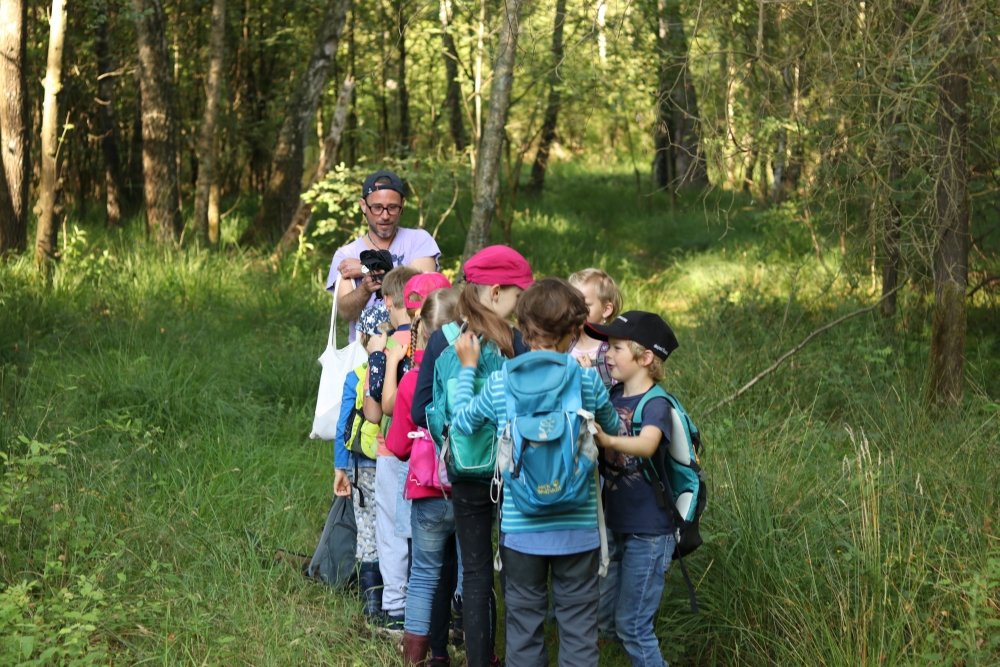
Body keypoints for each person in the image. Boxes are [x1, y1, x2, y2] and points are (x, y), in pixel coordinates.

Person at [451, 278, 621, 667]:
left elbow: (461, 422)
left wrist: (467, 369)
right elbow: (611, 430)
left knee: (524, 628)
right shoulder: (586, 380)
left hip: (521, 530)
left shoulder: (499, 384)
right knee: (579, 630)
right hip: (578, 529)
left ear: (524, 328)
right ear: (574, 332)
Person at [410, 245, 535, 667]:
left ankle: (478, 660)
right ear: (496, 292)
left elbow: (419, 409)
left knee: (476, 571)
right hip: (516, 472)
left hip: (466, 473)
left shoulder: (445, 339)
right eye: (518, 296)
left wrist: (449, 440)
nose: (520, 307)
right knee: (514, 572)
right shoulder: (519, 342)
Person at [586, 311, 681, 667]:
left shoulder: (656, 403)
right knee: (605, 618)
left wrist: (609, 438)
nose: (607, 354)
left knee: (633, 626)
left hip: (649, 532)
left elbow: (647, 444)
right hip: (616, 526)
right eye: (607, 346)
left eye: (617, 347)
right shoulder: (610, 394)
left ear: (646, 358)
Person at [385, 287, 464, 666]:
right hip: (469, 489)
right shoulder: (477, 372)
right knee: (474, 575)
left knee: (424, 576)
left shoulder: (411, 381)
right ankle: (478, 650)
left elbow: (398, 446)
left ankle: (421, 657)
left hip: (428, 492)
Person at [362, 265, 421, 631]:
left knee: (392, 530)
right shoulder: (432, 341)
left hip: (391, 450)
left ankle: (397, 608)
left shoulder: (385, 348)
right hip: (432, 454)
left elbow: (372, 413)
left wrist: (376, 358)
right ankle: (430, 604)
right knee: (426, 533)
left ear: (387, 300)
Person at [327, 170, 441, 341]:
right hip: (365, 357)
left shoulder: (420, 240)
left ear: (402, 204)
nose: (385, 215)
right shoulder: (346, 255)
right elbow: (345, 312)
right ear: (363, 205)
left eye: (392, 207)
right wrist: (365, 288)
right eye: (377, 208)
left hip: (415, 348)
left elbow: (422, 292)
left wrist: (368, 267)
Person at [333, 303, 391, 621]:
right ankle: (398, 603)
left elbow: (344, 426)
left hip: (362, 467)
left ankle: (372, 607)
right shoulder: (400, 374)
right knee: (395, 531)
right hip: (394, 462)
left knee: (367, 533)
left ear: (362, 338)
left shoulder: (355, 377)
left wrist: (339, 470)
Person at [568, 268, 623, 390]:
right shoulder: (565, 343)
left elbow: (619, 394)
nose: (575, 310)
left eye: (585, 305)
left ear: (606, 310)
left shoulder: (612, 350)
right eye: (572, 303)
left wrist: (589, 378)